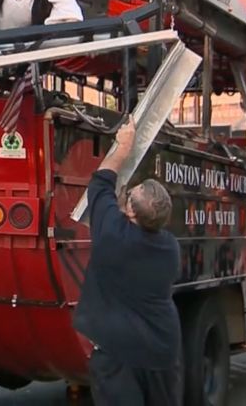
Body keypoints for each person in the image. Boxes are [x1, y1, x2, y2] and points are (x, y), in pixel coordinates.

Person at [73, 118, 182, 405]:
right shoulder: (169, 248)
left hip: (118, 353)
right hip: (161, 351)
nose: (127, 192)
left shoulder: (113, 235)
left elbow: (101, 181)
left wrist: (123, 146)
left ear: (131, 212)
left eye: (130, 194)